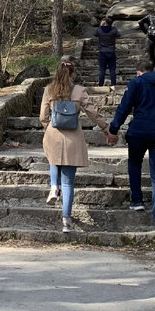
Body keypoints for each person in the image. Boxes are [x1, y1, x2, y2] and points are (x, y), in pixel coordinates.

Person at [107, 58, 155, 233]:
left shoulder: (136, 83)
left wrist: (113, 129)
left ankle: (137, 201)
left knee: (134, 163)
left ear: (139, 72)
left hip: (138, 133)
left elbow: (124, 107)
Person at [39, 57, 113, 233]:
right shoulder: (79, 91)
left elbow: (43, 115)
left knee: (53, 159)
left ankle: (53, 186)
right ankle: (66, 221)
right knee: (69, 182)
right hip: (73, 137)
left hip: (54, 133)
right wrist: (106, 129)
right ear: (72, 74)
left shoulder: (49, 89)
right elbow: (93, 112)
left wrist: (48, 127)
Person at [93, 16, 120, 86]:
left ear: (104, 22)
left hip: (102, 51)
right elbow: (118, 35)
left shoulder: (99, 30)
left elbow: (95, 34)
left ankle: (100, 84)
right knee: (112, 70)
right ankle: (113, 84)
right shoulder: (114, 29)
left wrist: (100, 26)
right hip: (111, 51)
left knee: (102, 70)